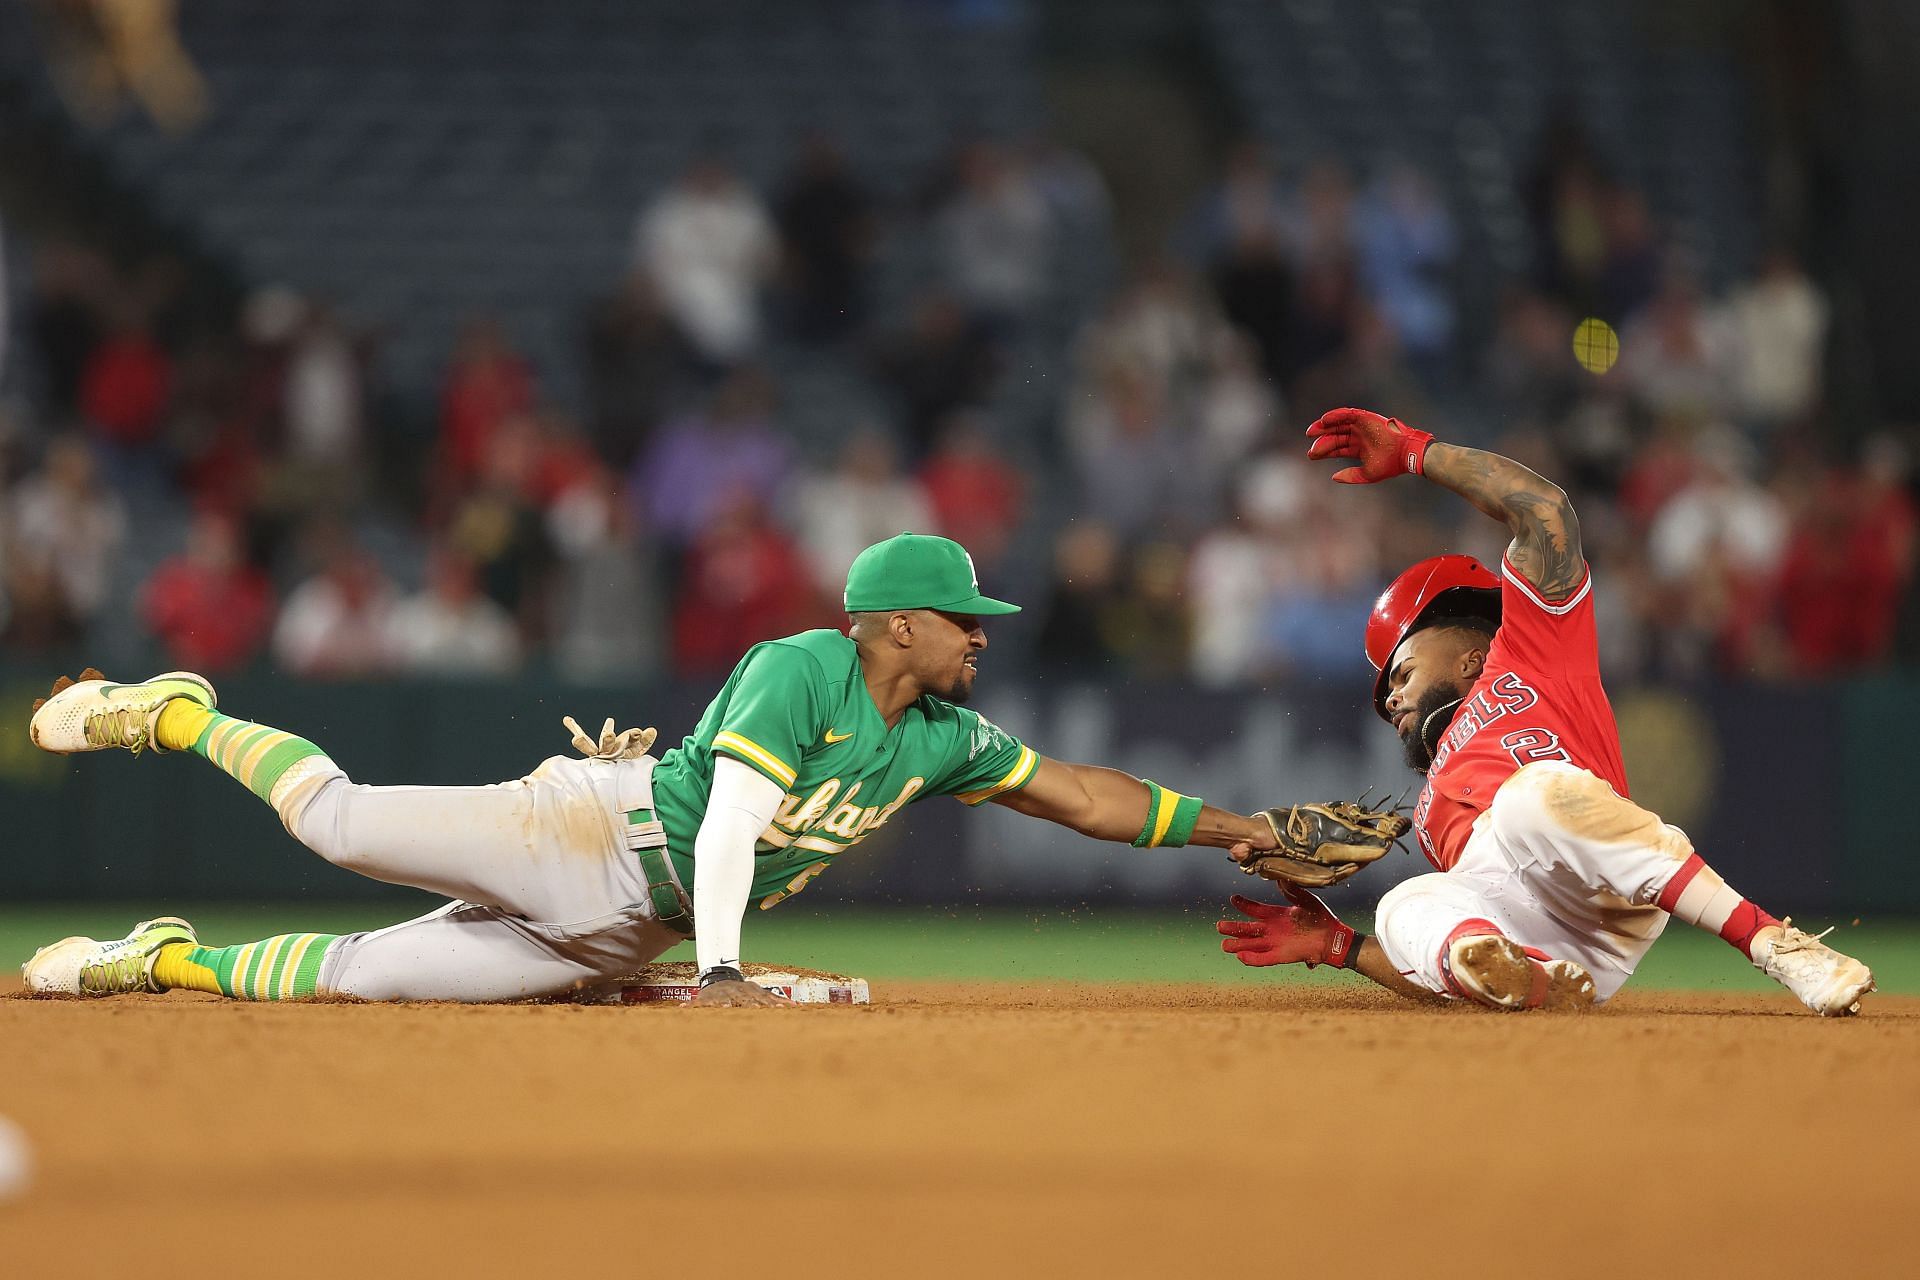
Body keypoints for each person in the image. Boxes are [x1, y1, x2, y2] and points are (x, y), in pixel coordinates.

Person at [24, 534, 1284, 1008]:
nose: (982, 635)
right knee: (342, 822)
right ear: (898, 623)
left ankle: (156, 957)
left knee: (359, 979)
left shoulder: (949, 737)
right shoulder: (803, 666)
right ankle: (182, 715)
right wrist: (725, 966)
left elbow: (1082, 795)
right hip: (588, 836)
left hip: (622, 933)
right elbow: (733, 816)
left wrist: (1239, 827)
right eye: (964, 618)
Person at [1217, 407, 1875, 1015]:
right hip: (1556, 945)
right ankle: (1535, 984)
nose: (1390, 697)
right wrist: (1343, 949)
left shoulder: (1531, 648)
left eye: (1402, 669)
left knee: (1533, 796)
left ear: (1465, 644)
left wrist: (1420, 454)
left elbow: (1544, 511)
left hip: (1599, 877)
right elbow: (1433, 956)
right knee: (1403, 905)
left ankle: (1781, 948)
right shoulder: (1428, 812)